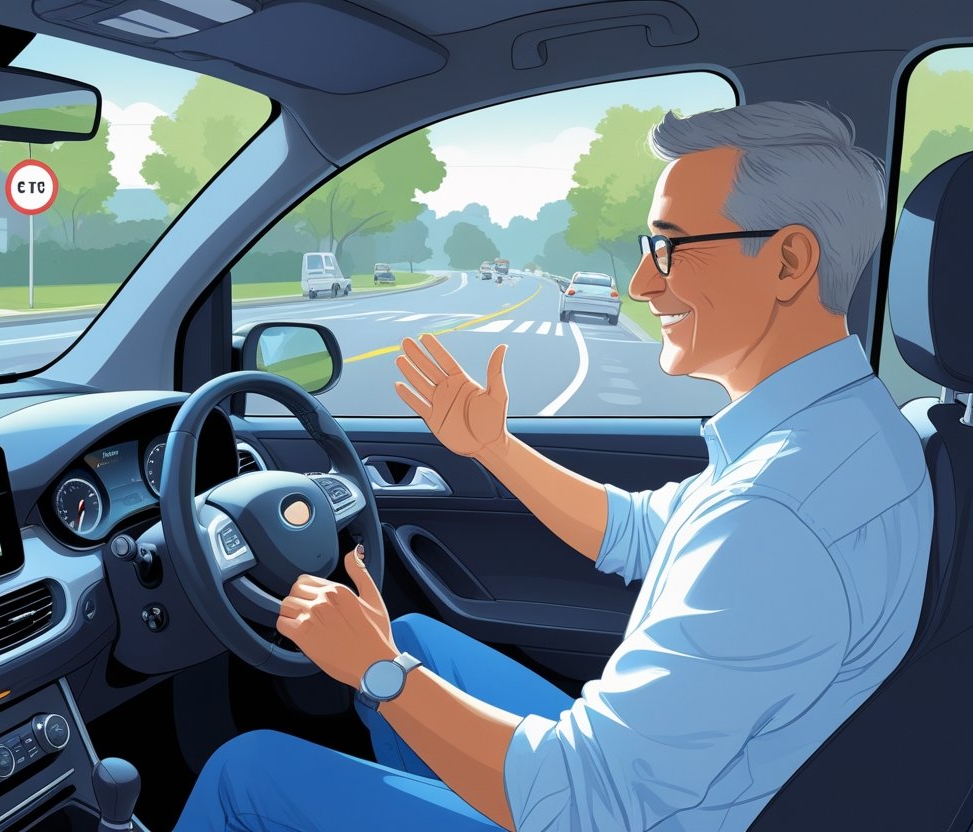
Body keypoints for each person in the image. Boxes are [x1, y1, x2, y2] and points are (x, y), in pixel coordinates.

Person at [173, 101, 933, 831]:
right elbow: (641, 532)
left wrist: (377, 672)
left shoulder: (775, 516)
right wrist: (493, 448)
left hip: (624, 810)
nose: (642, 284)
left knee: (249, 773)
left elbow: (586, 801)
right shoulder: (849, 432)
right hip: (681, 784)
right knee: (414, 638)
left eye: (672, 247)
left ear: (789, 260)